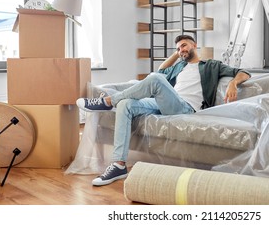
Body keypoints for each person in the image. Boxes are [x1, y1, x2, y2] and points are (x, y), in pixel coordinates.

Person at [76, 34, 251, 186]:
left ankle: (108, 101)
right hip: (166, 103)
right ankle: (119, 165)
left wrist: (233, 83)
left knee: (154, 79)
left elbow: (243, 72)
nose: (181, 50)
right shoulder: (179, 66)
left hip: (186, 107)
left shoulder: (211, 65)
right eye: (178, 48)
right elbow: (161, 70)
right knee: (126, 104)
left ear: (194, 45)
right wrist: (178, 53)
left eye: (184, 45)